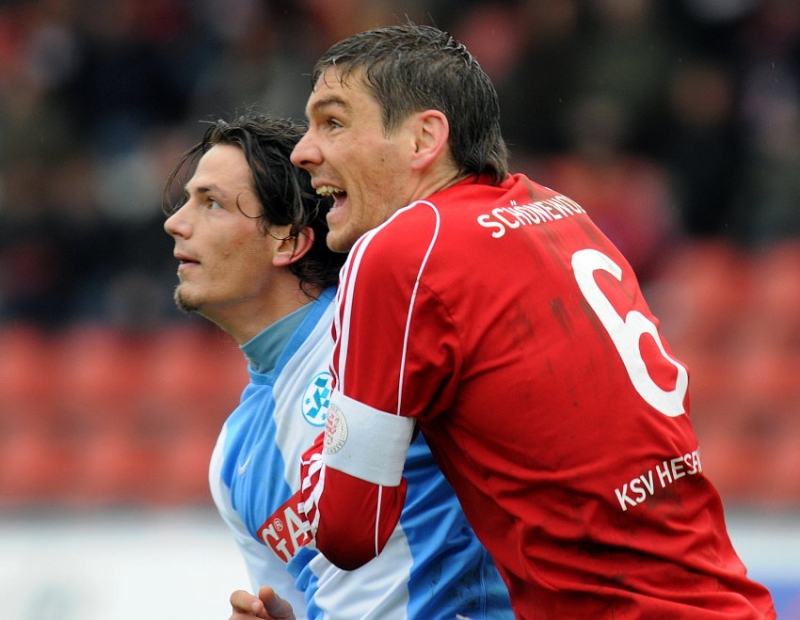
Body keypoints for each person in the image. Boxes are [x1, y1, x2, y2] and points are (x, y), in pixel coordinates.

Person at [290, 24, 777, 619]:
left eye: (333, 122)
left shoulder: (401, 250)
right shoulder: (560, 211)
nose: (302, 151)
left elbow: (348, 534)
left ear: (424, 137)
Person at [163, 113, 513, 620]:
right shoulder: (231, 457)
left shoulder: (395, 334)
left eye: (210, 203)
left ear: (288, 240)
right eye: (187, 201)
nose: (176, 222)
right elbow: (305, 605)